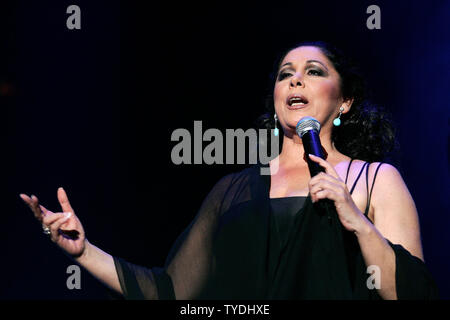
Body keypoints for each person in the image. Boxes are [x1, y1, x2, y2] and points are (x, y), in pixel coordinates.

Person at [20, 41, 438, 300]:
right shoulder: (233, 190)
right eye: (285, 75)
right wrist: (83, 251)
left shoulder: (375, 180)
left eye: (313, 72)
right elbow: (171, 292)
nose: (295, 82)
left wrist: (359, 224)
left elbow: (410, 293)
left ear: (344, 102)